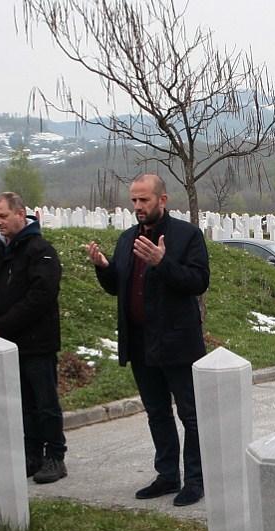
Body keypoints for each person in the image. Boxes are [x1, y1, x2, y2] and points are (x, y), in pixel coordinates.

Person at [87, 174, 210, 506]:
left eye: (144, 200)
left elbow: (198, 281)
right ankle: (167, 475)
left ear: (162, 200)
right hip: (140, 342)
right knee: (157, 412)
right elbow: (118, 285)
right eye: (134, 201)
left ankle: (196, 480)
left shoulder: (186, 236)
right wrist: (103, 267)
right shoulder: (127, 239)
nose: (138, 207)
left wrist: (162, 262)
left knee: (190, 414)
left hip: (176, 341)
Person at [0, 192, 67, 484]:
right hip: (6, 341)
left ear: (20, 214)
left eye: (3, 216)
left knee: (45, 401)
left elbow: (40, 296)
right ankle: (32, 454)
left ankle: (55, 455)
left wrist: (2, 325)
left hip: (36, 341)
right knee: (24, 403)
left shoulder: (41, 250)